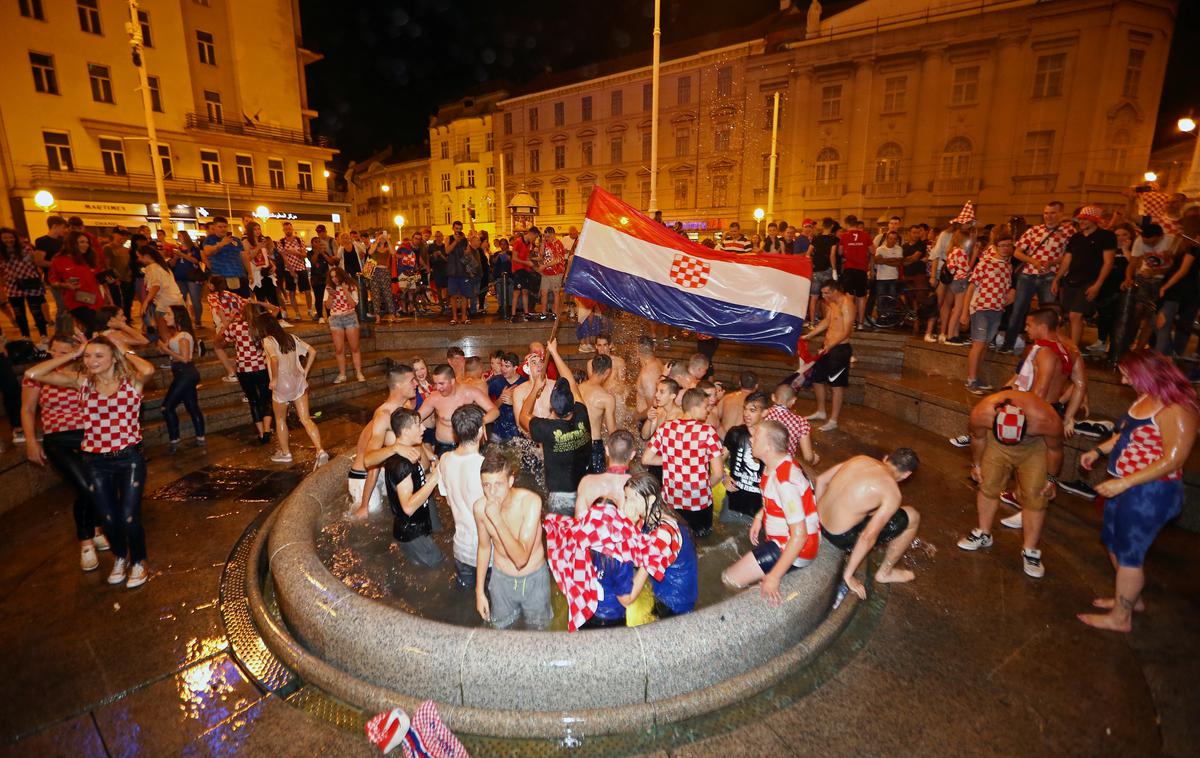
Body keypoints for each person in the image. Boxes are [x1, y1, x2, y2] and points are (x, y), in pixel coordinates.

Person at [1076, 350, 1197, 632]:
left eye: (1128, 374)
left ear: (1146, 373)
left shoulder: (1177, 408)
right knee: (1112, 541)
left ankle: (1122, 617)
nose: (1123, 380)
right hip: (1125, 486)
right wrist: (1098, 451)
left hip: (1152, 492)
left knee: (1130, 553)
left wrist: (1125, 482)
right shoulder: (1146, 398)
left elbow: (1174, 460)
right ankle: (1130, 598)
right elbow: (1126, 434)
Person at [25, 335, 155, 588]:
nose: (91, 361)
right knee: (107, 517)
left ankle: (139, 561)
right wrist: (73, 355)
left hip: (128, 459)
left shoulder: (131, 382)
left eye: (98, 356)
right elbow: (32, 373)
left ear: (112, 357)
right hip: (96, 461)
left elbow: (148, 369)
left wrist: (123, 350)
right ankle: (120, 556)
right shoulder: (82, 382)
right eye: (88, 356)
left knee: (129, 516)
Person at [20, 332, 110, 570]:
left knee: (93, 487)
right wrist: (31, 440)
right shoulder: (39, 376)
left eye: (65, 351)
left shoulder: (84, 373)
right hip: (58, 440)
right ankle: (86, 542)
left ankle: (96, 529)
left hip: (89, 436)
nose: (59, 356)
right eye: (55, 352)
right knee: (85, 486)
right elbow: (28, 409)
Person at [957, 390, 1064, 578]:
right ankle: (983, 533)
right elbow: (979, 438)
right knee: (987, 484)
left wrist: (1051, 479)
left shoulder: (1047, 419)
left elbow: (1055, 451)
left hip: (1035, 448)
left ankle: (1030, 550)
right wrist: (977, 465)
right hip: (996, 445)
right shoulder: (982, 413)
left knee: (1036, 495)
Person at [721, 420, 820, 604]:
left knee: (728, 578)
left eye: (756, 436)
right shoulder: (774, 464)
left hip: (796, 547)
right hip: (784, 536)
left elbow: (800, 536)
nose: (750, 439)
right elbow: (775, 500)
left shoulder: (784, 482)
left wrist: (774, 577)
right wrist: (760, 516)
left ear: (767, 446)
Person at [814, 449, 921, 599]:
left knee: (868, 508)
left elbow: (820, 480)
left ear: (886, 458)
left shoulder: (860, 459)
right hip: (839, 537)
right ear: (906, 474)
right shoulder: (892, 493)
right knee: (912, 515)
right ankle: (885, 573)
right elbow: (867, 537)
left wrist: (817, 519)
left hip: (816, 520)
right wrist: (848, 575)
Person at [473, 449, 552, 629]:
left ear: (510, 481)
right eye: (486, 485)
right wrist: (479, 591)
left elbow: (521, 559)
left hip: (534, 580)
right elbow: (484, 548)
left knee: (539, 633)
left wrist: (497, 519)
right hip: (501, 581)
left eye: (498, 484)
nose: (492, 492)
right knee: (502, 631)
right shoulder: (480, 508)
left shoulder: (530, 502)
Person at [521, 339, 591, 515]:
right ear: (573, 404)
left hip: (560, 498)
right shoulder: (582, 414)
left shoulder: (548, 429)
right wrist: (555, 353)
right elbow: (572, 385)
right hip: (585, 489)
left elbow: (523, 417)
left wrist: (535, 388)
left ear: (552, 408)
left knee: (560, 540)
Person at [643, 387, 724, 537]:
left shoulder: (665, 428)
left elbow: (646, 459)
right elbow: (718, 474)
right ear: (694, 408)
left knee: (674, 540)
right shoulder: (708, 432)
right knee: (702, 543)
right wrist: (701, 488)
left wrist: (673, 458)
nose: (708, 411)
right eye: (706, 407)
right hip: (699, 501)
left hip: (671, 500)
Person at [617, 473, 699, 618]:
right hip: (662, 587)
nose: (627, 504)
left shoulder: (664, 534)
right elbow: (633, 553)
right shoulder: (648, 518)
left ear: (651, 499)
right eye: (626, 498)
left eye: (633, 499)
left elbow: (628, 598)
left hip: (676, 600)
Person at [999, 202, 1074, 353]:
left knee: (1047, 314)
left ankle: (1045, 347)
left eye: (1053, 213)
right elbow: (1017, 252)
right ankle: (1008, 344)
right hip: (1028, 275)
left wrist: (1052, 262)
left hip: (1050, 275)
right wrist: (1034, 261)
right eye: (1046, 213)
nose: (1049, 216)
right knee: (1018, 310)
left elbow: (1069, 256)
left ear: (1061, 214)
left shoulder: (1068, 231)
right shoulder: (1035, 230)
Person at [347, 363, 419, 519]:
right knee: (373, 514)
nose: (416, 383)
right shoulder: (384, 415)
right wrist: (364, 506)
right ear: (399, 385)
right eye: (412, 380)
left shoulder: (405, 406)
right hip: (364, 475)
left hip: (384, 469)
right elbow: (372, 463)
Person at [255, 314, 326, 467]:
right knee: (305, 419)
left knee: (280, 419)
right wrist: (306, 370)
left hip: (282, 383)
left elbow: (274, 359)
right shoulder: (290, 338)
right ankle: (320, 450)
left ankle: (286, 453)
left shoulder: (268, 340)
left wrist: (274, 379)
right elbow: (312, 351)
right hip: (298, 380)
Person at [210, 277, 274, 445]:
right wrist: (258, 302)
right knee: (266, 398)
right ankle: (267, 430)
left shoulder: (236, 327)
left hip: (243, 369)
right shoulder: (262, 325)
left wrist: (229, 321)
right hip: (261, 366)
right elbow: (276, 309)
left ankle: (261, 433)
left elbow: (217, 342)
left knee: (253, 400)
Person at [377, 408, 444, 567]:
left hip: (416, 529)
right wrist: (434, 479)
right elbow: (408, 507)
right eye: (418, 425)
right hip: (412, 533)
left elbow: (415, 484)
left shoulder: (408, 454)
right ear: (406, 431)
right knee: (438, 567)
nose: (424, 428)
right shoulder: (402, 463)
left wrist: (431, 475)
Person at [1052, 206, 1117, 348]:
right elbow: (1067, 260)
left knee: (1076, 315)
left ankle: (1073, 350)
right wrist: (1057, 279)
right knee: (1070, 316)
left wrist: (1097, 285)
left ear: (1094, 221)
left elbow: (1108, 262)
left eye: (1085, 219)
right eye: (1080, 219)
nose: (1081, 222)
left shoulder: (1106, 236)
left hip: (1090, 281)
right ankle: (1070, 345)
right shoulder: (1076, 237)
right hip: (1071, 280)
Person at [437, 404, 486, 589]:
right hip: (485, 551)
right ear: (481, 431)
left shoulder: (445, 460)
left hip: (461, 548)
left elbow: (448, 499)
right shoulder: (485, 467)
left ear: (455, 432)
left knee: (465, 597)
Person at [961, 230, 1016, 393]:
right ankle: (971, 380)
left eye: (1008, 245)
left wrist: (1010, 296)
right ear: (996, 246)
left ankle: (976, 377)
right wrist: (965, 312)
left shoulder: (1008, 266)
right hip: (981, 308)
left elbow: (1006, 288)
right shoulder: (985, 262)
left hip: (997, 309)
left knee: (984, 345)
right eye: (1002, 245)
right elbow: (971, 287)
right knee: (978, 344)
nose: (1005, 248)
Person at [804, 280, 855, 432]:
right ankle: (821, 411)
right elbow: (827, 322)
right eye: (822, 293)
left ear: (835, 291)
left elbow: (846, 331)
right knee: (817, 379)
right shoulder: (831, 304)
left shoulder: (847, 304)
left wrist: (831, 346)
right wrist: (809, 335)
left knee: (836, 386)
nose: (824, 296)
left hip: (839, 349)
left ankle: (833, 420)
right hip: (827, 347)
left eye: (826, 293)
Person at [420, 363, 499, 457]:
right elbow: (415, 419)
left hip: (468, 445)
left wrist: (481, 421)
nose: (438, 388)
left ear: (452, 381)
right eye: (435, 384)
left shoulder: (470, 392)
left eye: (441, 383)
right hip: (444, 447)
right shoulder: (434, 398)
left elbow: (494, 411)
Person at [158, 305, 206, 453]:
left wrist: (167, 350)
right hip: (183, 374)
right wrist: (164, 347)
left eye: (168, 314)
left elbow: (185, 359)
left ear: (177, 316)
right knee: (192, 407)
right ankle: (200, 438)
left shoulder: (184, 335)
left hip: (186, 373)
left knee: (166, 407)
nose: (165, 317)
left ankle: (175, 440)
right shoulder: (178, 335)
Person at [721, 390, 769, 524]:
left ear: (765, 412)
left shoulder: (772, 437)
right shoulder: (736, 433)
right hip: (732, 503)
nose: (746, 414)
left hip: (760, 508)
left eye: (752, 410)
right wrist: (724, 477)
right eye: (745, 409)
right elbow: (719, 460)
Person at [0, 228, 49, 346]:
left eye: (11, 237)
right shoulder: (1, 254)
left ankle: (43, 335)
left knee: (37, 312)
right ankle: (25, 337)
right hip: (12, 286)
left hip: (30, 283)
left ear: (15, 238)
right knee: (19, 314)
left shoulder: (26, 249)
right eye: (5, 237)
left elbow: (36, 264)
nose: (8, 240)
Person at [49, 232, 104, 335]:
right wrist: (65, 285)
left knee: (94, 327)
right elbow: (53, 281)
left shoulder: (89, 258)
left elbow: (97, 276)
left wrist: (107, 279)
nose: (86, 245)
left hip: (94, 300)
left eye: (87, 242)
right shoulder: (59, 260)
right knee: (93, 325)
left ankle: (85, 346)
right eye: (82, 242)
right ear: (72, 243)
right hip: (75, 301)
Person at [574, 429, 638, 518]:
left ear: (606, 450)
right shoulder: (636, 487)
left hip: (592, 531)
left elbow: (579, 521)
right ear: (632, 454)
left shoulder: (586, 482)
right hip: (622, 531)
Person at [325, 266, 365, 383]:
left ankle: (358, 372)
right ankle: (342, 374)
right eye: (332, 277)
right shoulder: (328, 288)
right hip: (335, 318)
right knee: (339, 349)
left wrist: (345, 290)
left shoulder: (351, 286)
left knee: (355, 347)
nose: (334, 279)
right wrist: (331, 295)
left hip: (350, 317)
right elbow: (327, 306)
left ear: (341, 275)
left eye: (336, 276)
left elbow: (353, 304)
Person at [763, 383, 818, 464]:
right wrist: (814, 458)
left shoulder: (762, 415)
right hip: (784, 466)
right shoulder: (801, 422)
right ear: (793, 400)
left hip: (763, 462)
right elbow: (808, 457)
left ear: (773, 397)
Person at [579, 354, 617, 473]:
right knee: (597, 486)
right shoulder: (606, 398)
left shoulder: (577, 388)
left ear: (593, 368)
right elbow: (612, 432)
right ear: (608, 372)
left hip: (576, 442)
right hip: (593, 446)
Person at [137, 244, 184, 334]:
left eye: (139, 257)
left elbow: (156, 286)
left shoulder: (151, 268)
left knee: (165, 334)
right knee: (178, 331)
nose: (139, 260)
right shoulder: (163, 267)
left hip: (165, 304)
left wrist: (146, 302)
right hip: (178, 301)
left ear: (146, 256)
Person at [202, 216, 251, 296]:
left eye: (225, 226)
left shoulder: (235, 240)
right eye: (220, 227)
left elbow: (244, 256)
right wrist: (221, 244)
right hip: (221, 278)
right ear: (214, 227)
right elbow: (207, 252)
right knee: (224, 305)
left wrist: (250, 273)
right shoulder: (209, 240)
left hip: (239, 276)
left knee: (242, 303)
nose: (223, 229)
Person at [838, 218, 873, 327]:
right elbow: (873, 251)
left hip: (849, 268)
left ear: (847, 224)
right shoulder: (865, 235)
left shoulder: (844, 236)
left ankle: (849, 322)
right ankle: (860, 323)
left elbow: (840, 251)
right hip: (861, 269)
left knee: (849, 295)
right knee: (861, 296)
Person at [486, 352, 526, 442]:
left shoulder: (525, 383)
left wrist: (515, 402)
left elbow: (531, 410)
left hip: (519, 433)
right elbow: (486, 408)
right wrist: (501, 399)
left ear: (516, 367)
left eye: (507, 366)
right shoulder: (495, 381)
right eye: (502, 365)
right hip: (497, 433)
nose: (503, 369)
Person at [276, 222, 312, 321]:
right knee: (291, 292)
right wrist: (291, 270)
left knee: (307, 290)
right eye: (286, 229)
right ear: (283, 230)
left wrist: (296, 253)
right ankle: (297, 313)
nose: (288, 230)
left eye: (289, 228)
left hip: (301, 268)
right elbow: (284, 257)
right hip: (288, 269)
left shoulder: (299, 240)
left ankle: (309, 310)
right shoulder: (281, 242)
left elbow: (304, 255)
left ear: (292, 229)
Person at [808, 219, 840, 320]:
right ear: (831, 226)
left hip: (816, 271)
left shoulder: (816, 238)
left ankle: (812, 322)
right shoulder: (833, 239)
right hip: (827, 270)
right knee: (828, 298)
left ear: (823, 226)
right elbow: (832, 255)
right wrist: (834, 270)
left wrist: (812, 264)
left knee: (813, 297)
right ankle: (827, 321)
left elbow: (808, 254)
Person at [871, 230, 904, 325]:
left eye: (895, 239)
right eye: (890, 238)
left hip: (893, 278)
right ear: (887, 239)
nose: (892, 241)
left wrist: (884, 260)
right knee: (881, 300)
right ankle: (881, 318)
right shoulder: (880, 249)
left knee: (892, 299)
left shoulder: (899, 249)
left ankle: (890, 318)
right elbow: (877, 261)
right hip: (881, 278)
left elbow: (898, 263)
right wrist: (892, 260)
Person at [536, 226, 567, 319]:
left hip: (556, 272)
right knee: (544, 292)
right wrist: (542, 243)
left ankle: (555, 312)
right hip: (546, 272)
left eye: (548, 236)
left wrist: (544, 266)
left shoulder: (558, 244)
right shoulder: (545, 243)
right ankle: (544, 312)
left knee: (556, 292)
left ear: (553, 235)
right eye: (545, 236)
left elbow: (557, 259)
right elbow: (541, 255)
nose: (546, 238)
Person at [717, 371, 758, 438]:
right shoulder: (757, 403)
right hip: (742, 440)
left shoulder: (727, 397)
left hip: (723, 437)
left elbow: (715, 415)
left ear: (739, 383)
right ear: (756, 385)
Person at [635, 337, 664, 415]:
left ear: (637, 351)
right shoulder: (658, 362)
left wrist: (636, 419)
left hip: (647, 419)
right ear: (654, 348)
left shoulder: (647, 374)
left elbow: (653, 407)